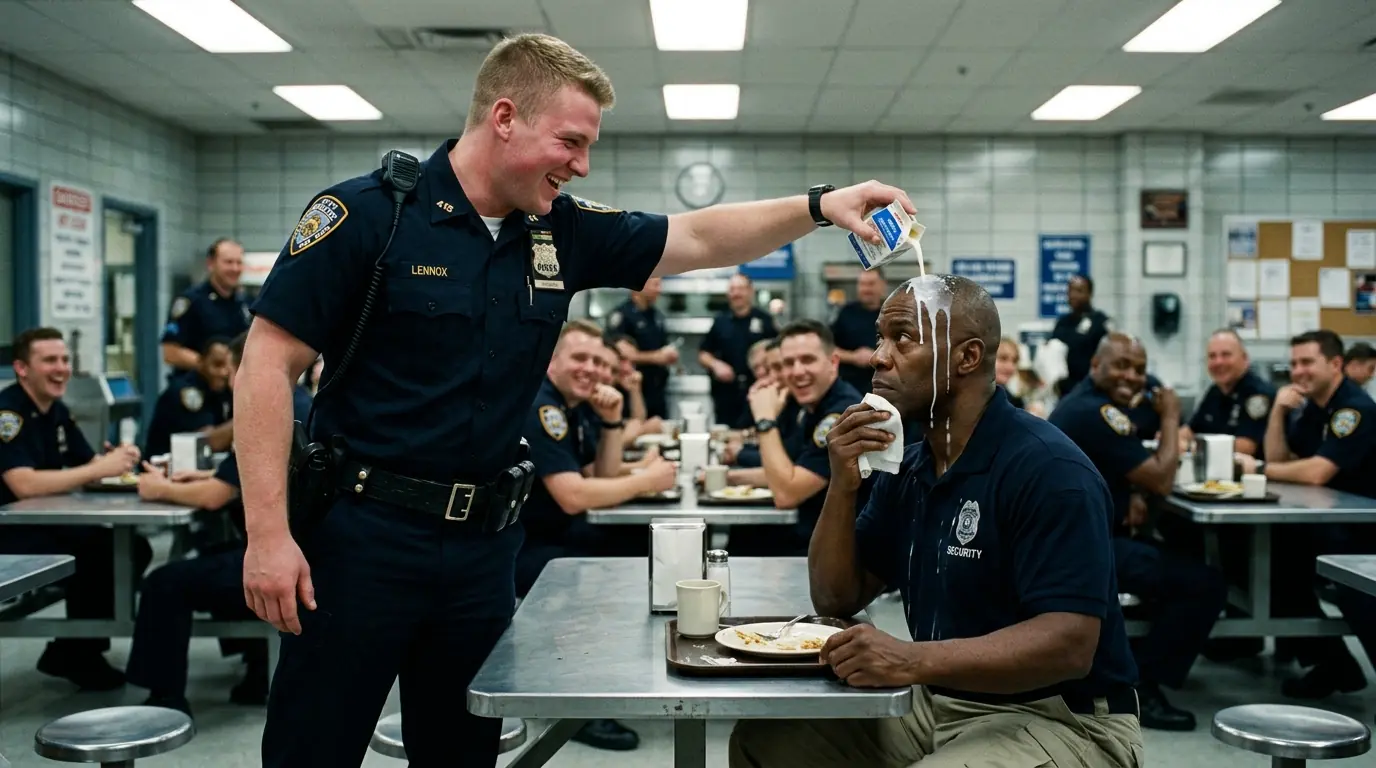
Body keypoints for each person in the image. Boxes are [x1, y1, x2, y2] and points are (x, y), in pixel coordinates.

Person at [236, 31, 915, 767]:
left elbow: (695, 235)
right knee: (315, 748)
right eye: (570, 141)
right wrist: (268, 536)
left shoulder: (558, 231)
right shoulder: (369, 216)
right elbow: (266, 367)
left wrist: (821, 205)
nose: (581, 164)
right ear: (505, 118)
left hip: (483, 550)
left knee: (461, 752)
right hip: (359, 539)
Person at [730, 275, 1143, 767]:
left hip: (1063, 717)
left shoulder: (1049, 470)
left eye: (901, 338)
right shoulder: (909, 467)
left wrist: (908, 660)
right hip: (942, 698)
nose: (878, 356)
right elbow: (837, 596)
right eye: (881, 338)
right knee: (767, 743)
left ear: (968, 358)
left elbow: (1069, 645)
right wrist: (843, 484)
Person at [1048, 334, 1226, 731]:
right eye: (1122, 366)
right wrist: (1171, 415)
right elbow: (1163, 479)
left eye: (1140, 369)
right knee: (1204, 584)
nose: (1132, 376)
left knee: (1180, 552)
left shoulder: (1089, 403)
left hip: (1078, 539)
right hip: (1082, 551)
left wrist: (1130, 489)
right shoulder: (1095, 412)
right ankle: (1143, 684)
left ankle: (1135, 658)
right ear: (1096, 366)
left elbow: (1127, 462)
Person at [126, 333, 277, 717]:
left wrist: (159, 488)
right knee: (214, 557)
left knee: (165, 584)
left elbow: (215, 496)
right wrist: (203, 479)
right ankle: (257, 671)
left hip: (280, 558)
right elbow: (232, 479)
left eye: (233, 367)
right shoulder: (297, 404)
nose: (228, 376)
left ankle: (166, 699)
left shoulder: (262, 411)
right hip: (312, 551)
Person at [0, 327, 149, 690]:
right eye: (49, 360)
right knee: (98, 553)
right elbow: (22, 484)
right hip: (11, 532)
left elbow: (89, 465)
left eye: (65, 360)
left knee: (132, 549)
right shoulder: (9, 414)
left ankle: (75, 648)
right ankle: (79, 652)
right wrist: (99, 468)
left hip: (46, 523)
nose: (61, 368)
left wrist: (120, 461)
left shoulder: (56, 411)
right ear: (22, 368)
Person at [1235, 330, 1376, 699]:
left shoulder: (1354, 409)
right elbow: (1284, 459)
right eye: (1294, 363)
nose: (1298, 371)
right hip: (1325, 521)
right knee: (1262, 562)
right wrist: (1279, 412)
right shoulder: (1313, 406)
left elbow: (1316, 472)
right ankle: (1332, 665)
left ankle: (1334, 664)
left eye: (1307, 362)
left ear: (1335, 363)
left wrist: (1258, 469)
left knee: (1347, 585)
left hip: (1361, 531)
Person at [727, 320, 862, 556]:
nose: (797, 371)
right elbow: (791, 470)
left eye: (808, 360)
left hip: (836, 552)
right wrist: (731, 478)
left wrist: (765, 419)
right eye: (788, 363)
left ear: (833, 363)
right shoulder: (813, 406)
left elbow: (786, 494)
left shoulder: (841, 415)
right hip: (812, 534)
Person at [1179, 329, 1274, 457]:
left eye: (1226, 355)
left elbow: (1246, 447)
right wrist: (1172, 438)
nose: (1218, 362)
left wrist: (1192, 447)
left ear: (1244, 359)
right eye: (1212, 356)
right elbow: (1190, 430)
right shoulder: (1214, 391)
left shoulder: (1257, 394)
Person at [699, 273, 778, 427]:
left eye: (740, 289)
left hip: (758, 390)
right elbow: (703, 353)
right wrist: (716, 365)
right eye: (732, 289)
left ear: (750, 291)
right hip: (726, 394)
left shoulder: (765, 320)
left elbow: (778, 353)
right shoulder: (720, 321)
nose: (736, 293)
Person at [162, 238, 249, 374]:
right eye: (228, 262)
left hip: (234, 389)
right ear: (211, 264)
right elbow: (170, 352)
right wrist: (210, 365)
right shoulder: (191, 301)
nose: (235, 268)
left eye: (239, 262)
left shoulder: (245, 302)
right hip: (199, 388)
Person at [142, 337, 234, 458]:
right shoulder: (186, 392)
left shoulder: (225, 389)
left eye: (228, 367)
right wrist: (242, 420)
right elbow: (207, 442)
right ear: (201, 362)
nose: (223, 372)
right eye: (217, 365)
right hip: (165, 466)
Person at [606, 276, 674, 418]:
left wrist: (668, 355)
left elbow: (662, 347)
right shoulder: (622, 316)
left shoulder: (657, 316)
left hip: (657, 391)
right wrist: (656, 357)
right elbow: (622, 354)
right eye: (655, 285)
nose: (659, 290)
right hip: (630, 390)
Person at [1050, 275, 1111, 397]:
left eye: (1079, 291)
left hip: (1091, 389)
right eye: (1070, 291)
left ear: (1089, 294)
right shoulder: (1062, 323)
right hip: (1065, 390)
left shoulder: (1100, 322)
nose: (1073, 295)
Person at [831, 268, 887, 396]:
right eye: (862, 284)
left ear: (882, 285)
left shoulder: (891, 313)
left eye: (871, 284)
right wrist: (853, 357)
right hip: (849, 389)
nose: (866, 289)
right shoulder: (846, 313)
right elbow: (828, 349)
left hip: (884, 389)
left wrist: (876, 357)